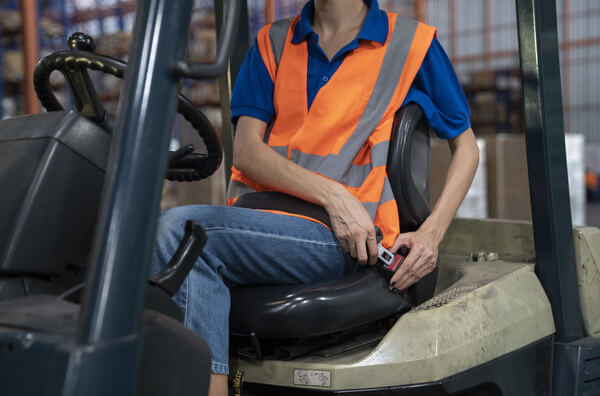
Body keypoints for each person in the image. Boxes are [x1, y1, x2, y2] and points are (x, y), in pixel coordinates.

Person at [152, 1, 479, 395]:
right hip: (268, 225)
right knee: (170, 247)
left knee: (181, 233)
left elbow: (467, 148)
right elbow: (248, 152)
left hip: (350, 237)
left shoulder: (410, 43)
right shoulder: (273, 43)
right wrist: (332, 195)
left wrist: (431, 235)